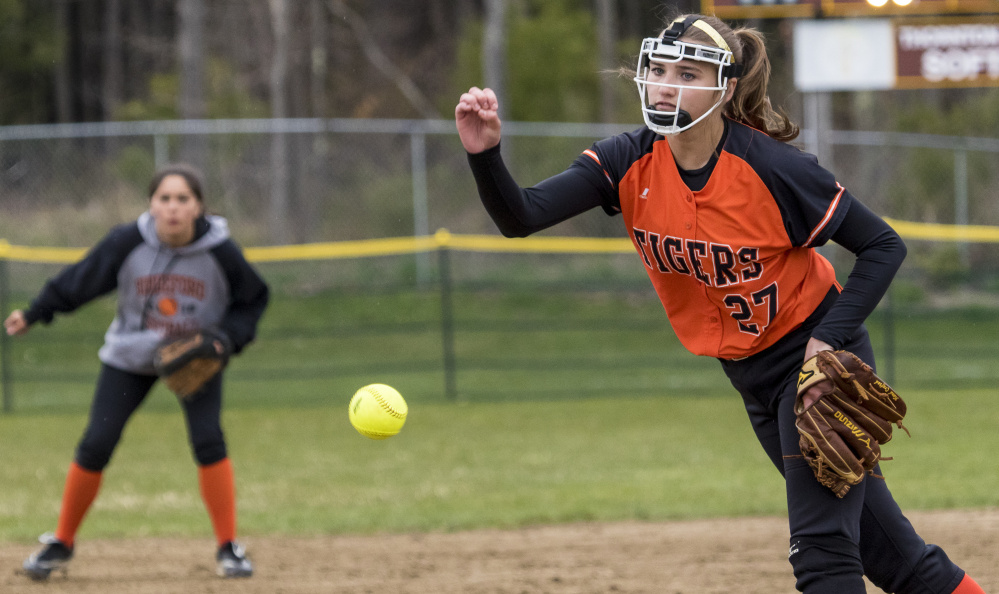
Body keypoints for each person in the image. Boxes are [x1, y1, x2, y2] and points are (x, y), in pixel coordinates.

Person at [455, 13, 987, 594]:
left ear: (725, 88)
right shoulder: (627, 160)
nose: (664, 85)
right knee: (892, 559)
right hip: (751, 376)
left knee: (822, 554)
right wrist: (485, 154)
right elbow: (522, 216)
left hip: (815, 366)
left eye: (687, 73)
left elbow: (883, 245)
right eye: (658, 69)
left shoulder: (772, 167)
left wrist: (827, 340)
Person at [5, 163, 269, 580]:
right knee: (96, 444)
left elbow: (254, 299)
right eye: (165, 199)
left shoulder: (221, 251)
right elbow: (81, 279)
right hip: (130, 357)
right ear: (152, 204)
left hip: (195, 359)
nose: (173, 208)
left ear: (199, 206)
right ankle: (61, 541)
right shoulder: (128, 242)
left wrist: (226, 341)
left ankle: (228, 547)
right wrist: (37, 313)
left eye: (183, 199)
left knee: (208, 440)